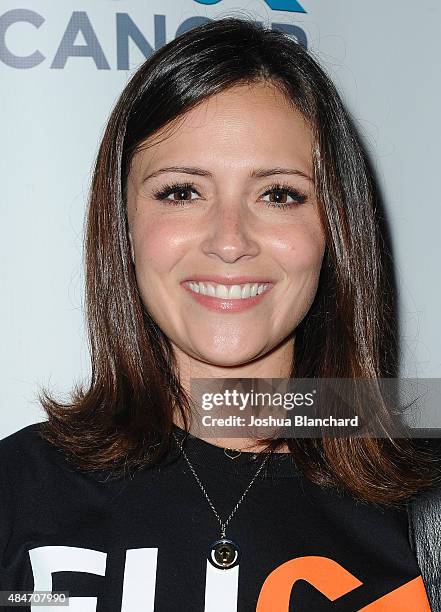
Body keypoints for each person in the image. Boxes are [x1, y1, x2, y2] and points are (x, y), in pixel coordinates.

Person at [1, 16, 440, 611]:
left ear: (335, 228)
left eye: (279, 194)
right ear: (124, 225)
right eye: (182, 192)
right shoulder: (19, 492)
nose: (230, 240)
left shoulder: (424, 506)